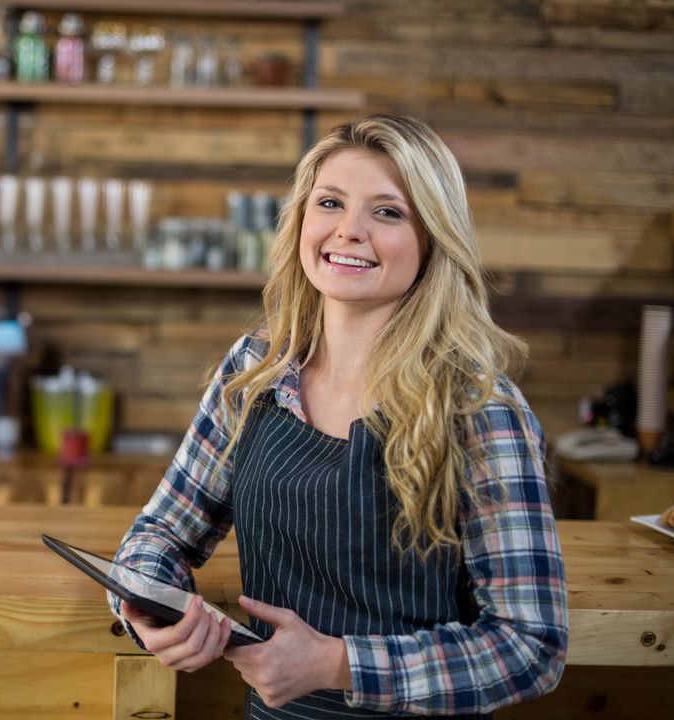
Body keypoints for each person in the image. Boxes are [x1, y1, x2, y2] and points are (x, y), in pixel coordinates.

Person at [109, 114, 568, 718]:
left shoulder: (480, 408)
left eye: (388, 212)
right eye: (330, 202)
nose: (349, 231)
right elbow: (159, 534)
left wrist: (336, 663)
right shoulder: (257, 370)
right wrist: (146, 605)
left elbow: (531, 644)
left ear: (433, 241)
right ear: (301, 221)